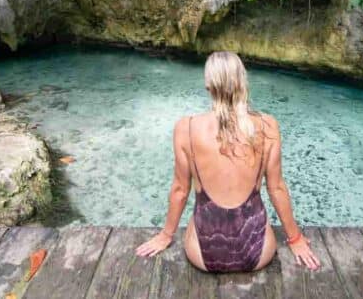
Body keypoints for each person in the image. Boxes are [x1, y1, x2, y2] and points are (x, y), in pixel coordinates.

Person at [135, 51, 320, 272]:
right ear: (242, 81)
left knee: (198, 217)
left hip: (203, 254)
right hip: (259, 252)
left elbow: (179, 190)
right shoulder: (268, 125)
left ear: (208, 86)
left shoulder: (186, 128)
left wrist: (165, 235)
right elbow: (277, 188)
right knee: (258, 217)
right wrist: (295, 239)